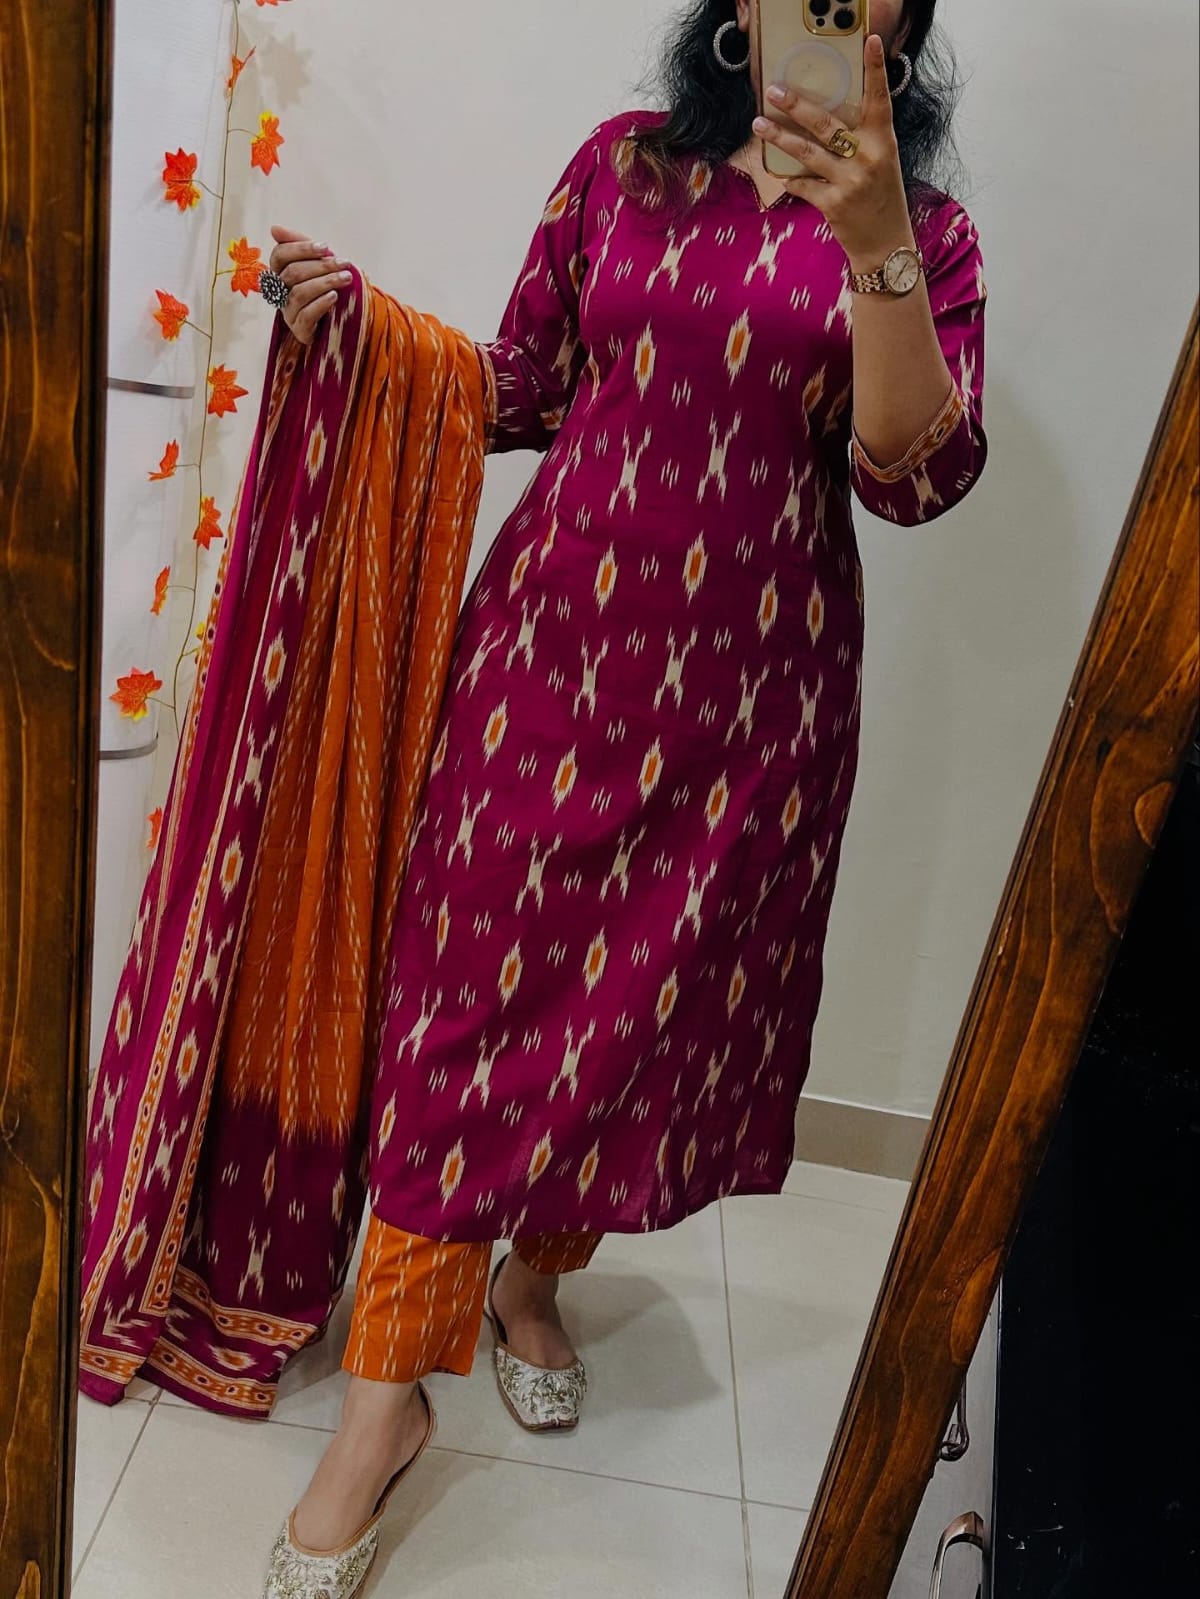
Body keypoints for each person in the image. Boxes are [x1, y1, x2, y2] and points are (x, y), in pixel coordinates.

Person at [263, 2, 988, 1592]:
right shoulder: (621, 171)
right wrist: (369, 326)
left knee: (630, 1024)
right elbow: (522, 386)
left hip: (748, 712)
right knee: (463, 1018)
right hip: (549, 661)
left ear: (907, 23)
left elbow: (914, 475)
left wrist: (876, 243)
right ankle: (382, 1411)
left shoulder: (929, 237)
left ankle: (533, 1283)